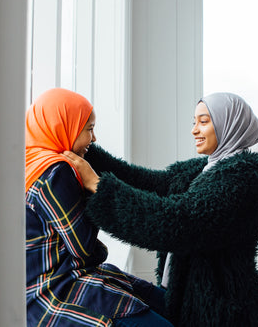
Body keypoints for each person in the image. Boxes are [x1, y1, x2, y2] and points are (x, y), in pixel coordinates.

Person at [63, 92, 258, 327]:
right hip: (184, 295)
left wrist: (98, 186)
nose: (195, 130)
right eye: (194, 122)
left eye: (204, 121)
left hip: (219, 309)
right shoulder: (206, 169)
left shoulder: (244, 179)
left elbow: (179, 223)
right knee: (120, 284)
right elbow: (148, 182)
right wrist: (86, 150)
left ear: (229, 124)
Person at [25, 88, 173, 327]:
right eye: (89, 129)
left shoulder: (28, 162)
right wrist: (93, 186)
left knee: (167, 304)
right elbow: (84, 249)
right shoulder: (57, 171)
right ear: (64, 126)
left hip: (39, 290)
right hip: (57, 292)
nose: (94, 140)